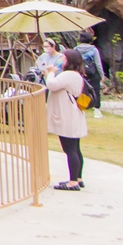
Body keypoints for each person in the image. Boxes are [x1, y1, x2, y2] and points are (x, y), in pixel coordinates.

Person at [45, 49, 88, 190]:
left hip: (67, 116)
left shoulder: (69, 75)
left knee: (70, 149)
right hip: (73, 115)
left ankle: (73, 182)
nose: (61, 61)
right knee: (75, 149)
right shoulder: (76, 75)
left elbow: (51, 84)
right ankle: (78, 178)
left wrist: (50, 72)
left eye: (63, 58)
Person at [75, 30, 104, 119]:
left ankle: (80, 108)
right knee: (95, 90)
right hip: (92, 73)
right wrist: (102, 75)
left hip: (80, 73)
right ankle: (96, 110)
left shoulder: (76, 49)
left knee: (80, 91)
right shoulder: (93, 50)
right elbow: (98, 64)